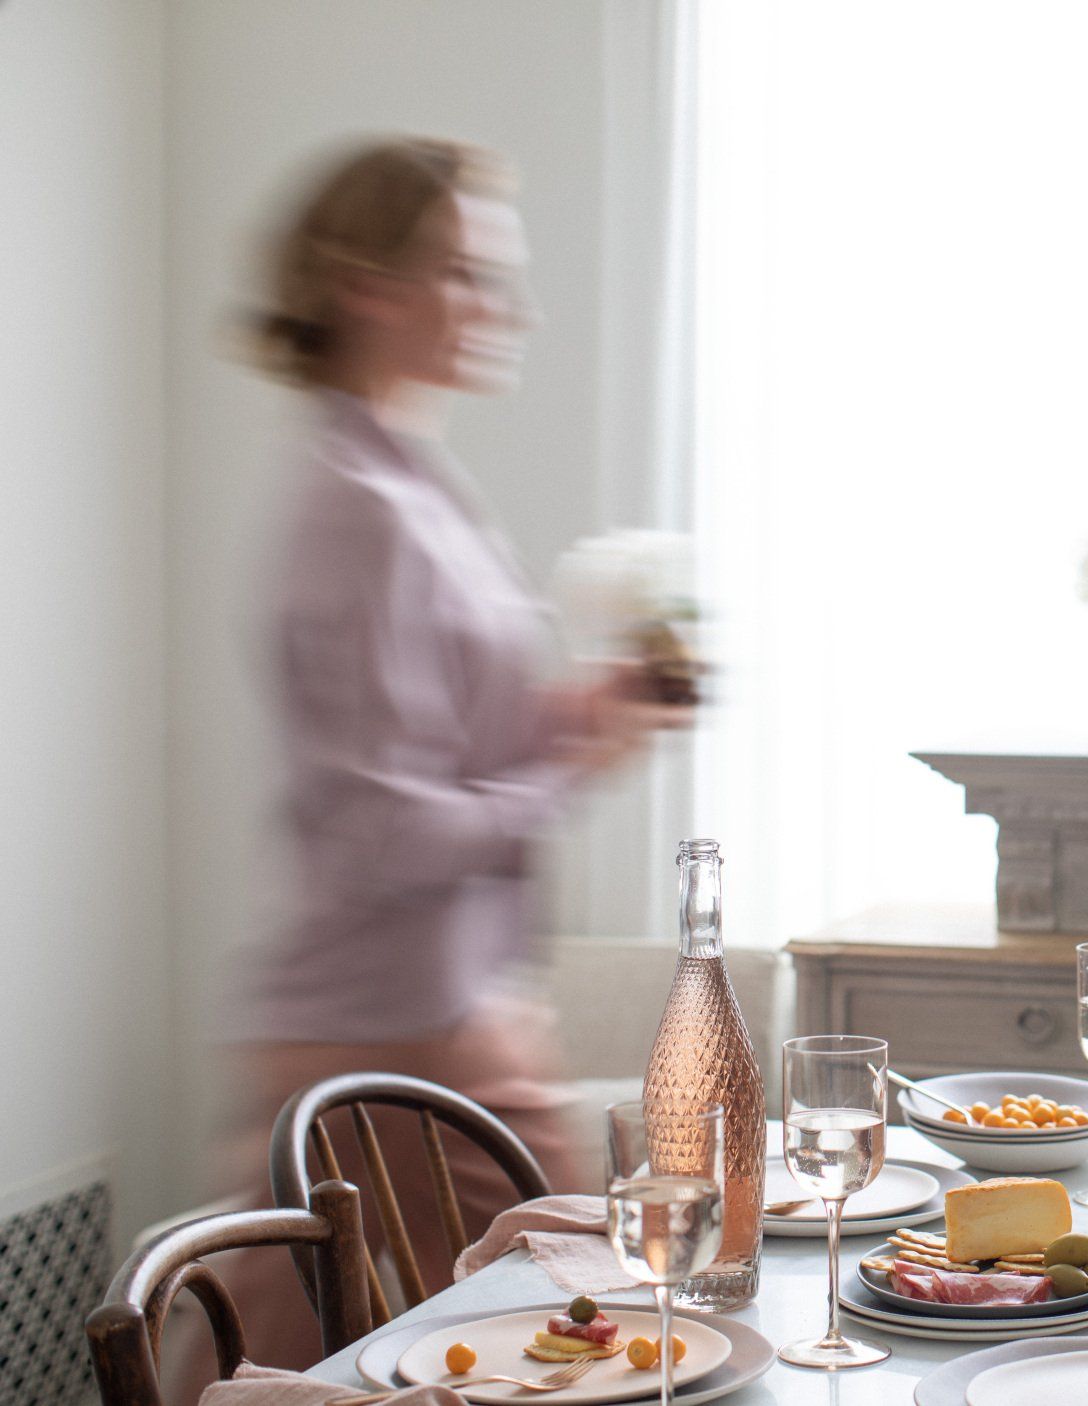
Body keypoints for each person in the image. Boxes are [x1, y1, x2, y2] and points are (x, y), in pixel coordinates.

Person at [173, 137, 669, 1397]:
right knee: (570, 1332)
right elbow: (382, 831)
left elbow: (437, 747)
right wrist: (575, 763)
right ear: (365, 284)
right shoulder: (359, 504)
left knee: (527, 1342)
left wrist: (573, 714)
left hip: (442, 1007)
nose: (510, 308)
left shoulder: (412, 481)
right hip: (382, 1021)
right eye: (469, 273)